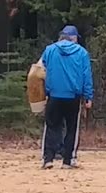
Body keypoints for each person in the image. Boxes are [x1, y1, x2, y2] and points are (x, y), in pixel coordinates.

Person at [40, 25, 93, 169]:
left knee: (51, 126)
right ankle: (67, 161)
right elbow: (86, 76)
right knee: (71, 128)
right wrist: (88, 96)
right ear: (73, 38)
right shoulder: (82, 53)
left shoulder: (49, 50)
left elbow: (40, 70)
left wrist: (42, 92)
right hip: (73, 96)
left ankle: (48, 159)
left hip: (54, 95)